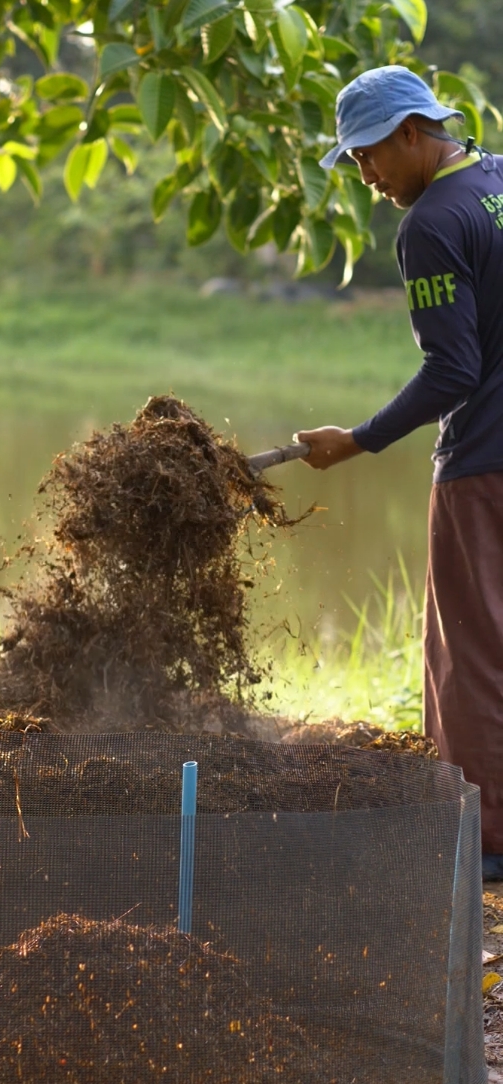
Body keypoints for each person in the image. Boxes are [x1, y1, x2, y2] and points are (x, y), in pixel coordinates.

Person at [296, 65, 503, 880]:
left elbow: (451, 373)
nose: (365, 177)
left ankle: (484, 840)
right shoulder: (494, 182)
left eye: (369, 156)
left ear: (413, 132)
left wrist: (357, 439)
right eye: (352, 163)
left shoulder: (430, 224)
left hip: (483, 463)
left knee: (472, 651)